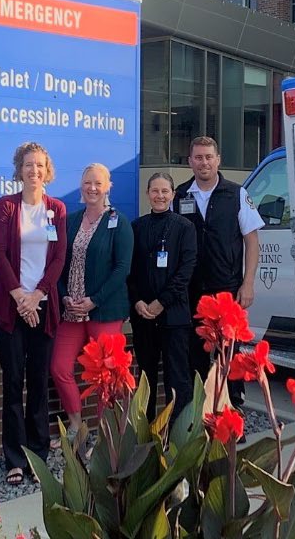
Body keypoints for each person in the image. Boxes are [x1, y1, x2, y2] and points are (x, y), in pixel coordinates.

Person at [0, 142, 67, 486]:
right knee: (12, 382)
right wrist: (20, 297)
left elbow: (58, 259)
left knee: (38, 382)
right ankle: (14, 459)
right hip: (11, 305)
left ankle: (37, 456)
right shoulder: (7, 207)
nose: (33, 170)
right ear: (19, 170)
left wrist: (37, 296)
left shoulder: (57, 209)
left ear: (46, 170)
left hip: (44, 305)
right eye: (28, 164)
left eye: (39, 165)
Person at [173, 136, 264, 413]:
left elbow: (251, 240)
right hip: (192, 292)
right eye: (198, 157)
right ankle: (198, 413)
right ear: (190, 162)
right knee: (195, 354)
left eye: (208, 157)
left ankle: (233, 410)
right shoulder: (180, 195)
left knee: (230, 354)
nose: (204, 163)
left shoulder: (236, 194)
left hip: (227, 289)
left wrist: (248, 283)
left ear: (218, 160)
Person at [50, 163, 133, 445]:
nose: (92, 188)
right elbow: (57, 263)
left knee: (106, 375)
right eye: (87, 182)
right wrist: (63, 295)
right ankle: (76, 425)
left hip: (104, 311)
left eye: (98, 183)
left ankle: (106, 432)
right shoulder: (70, 220)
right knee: (60, 366)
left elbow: (122, 268)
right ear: (81, 186)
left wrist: (94, 301)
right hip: (71, 311)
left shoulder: (118, 222)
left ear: (108, 187)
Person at [130, 172, 198, 419]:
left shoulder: (185, 227)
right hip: (143, 316)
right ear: (148, 194)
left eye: (165, 191)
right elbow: (130, 270)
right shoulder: (136, 227)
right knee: (145, 379)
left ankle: (179, 436)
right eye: (155, 191)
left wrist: (162, 303)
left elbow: (186, 270)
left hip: (174, 317)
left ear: (173, 195)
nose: (160, 196)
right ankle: (144, 437)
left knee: (177, 378)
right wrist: (137, 301)